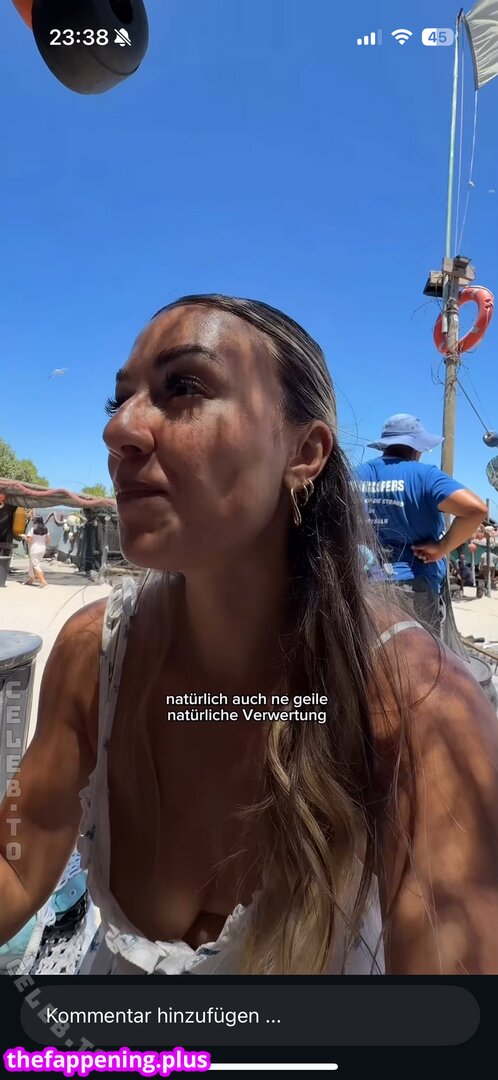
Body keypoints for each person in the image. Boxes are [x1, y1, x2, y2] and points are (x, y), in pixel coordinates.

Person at [1, 295, 498, 976]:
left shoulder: (420, 702)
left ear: (305, 452)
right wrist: (438, 551)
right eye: (118, 401)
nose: (119, 429)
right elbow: (17, 859)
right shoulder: (95, 654)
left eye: (184, 386)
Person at [354, 414, 487, 633]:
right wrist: (442, 548)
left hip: (365, 586)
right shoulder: (425, 476)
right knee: (422, 654)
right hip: (414, 585)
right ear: (416, 448)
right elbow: (476, 509)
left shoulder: (355, 475)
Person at [21, 515, 51, 587]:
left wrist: (24, 537)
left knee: (35, 565)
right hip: (42, 548)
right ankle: (31, 579)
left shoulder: (33, 529)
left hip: (34, 548)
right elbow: (49, 540)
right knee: (33, 563)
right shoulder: (46, 529)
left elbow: (29, 540)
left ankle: (43, 581)